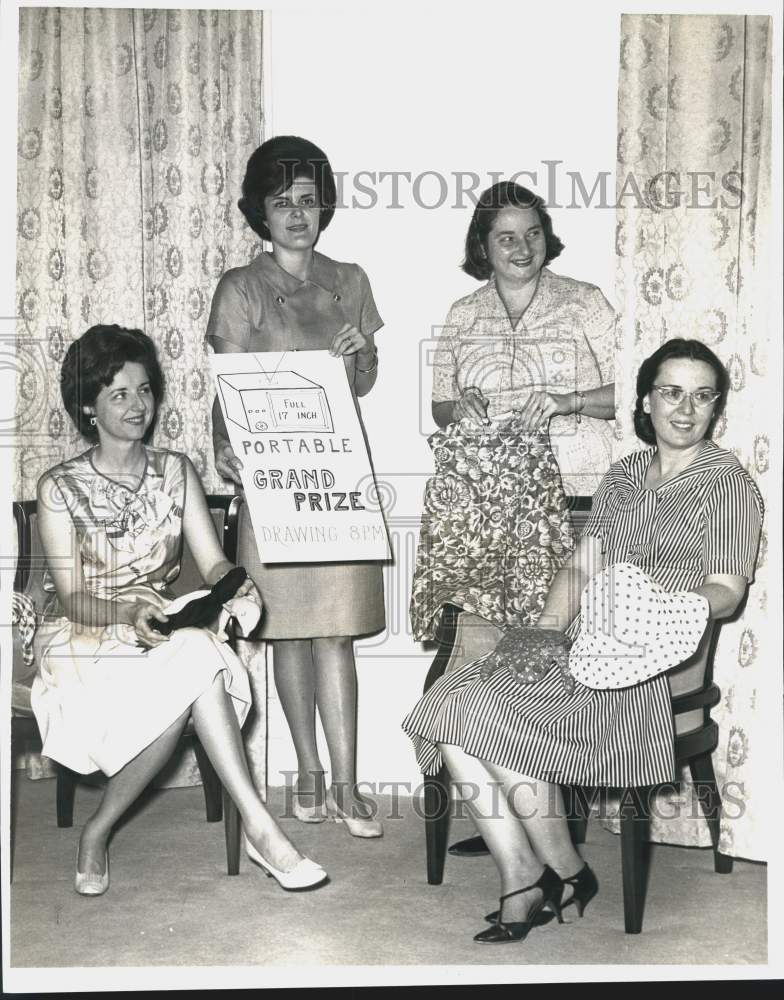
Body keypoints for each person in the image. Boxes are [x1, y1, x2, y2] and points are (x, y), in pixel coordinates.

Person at [402, 339, 763, 943]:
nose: (685, 408)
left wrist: (662, 612)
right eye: (671, 392)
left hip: (653, 662)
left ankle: (546, 877)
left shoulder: (728, 484)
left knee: (497, 722)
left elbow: (726, 589)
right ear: (646, 401)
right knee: (453, 705)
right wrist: (543, 633)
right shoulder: (623, 474)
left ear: (715, 407)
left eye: (701, 396)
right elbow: (579, 566)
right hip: (581, 642)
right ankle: (538, 870)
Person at [32, 325, 328, 896]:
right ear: (87, 406)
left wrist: (240, 587)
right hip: (89, 632)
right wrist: (125, 616)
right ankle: (103, 832)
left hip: (161, 627)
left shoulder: (176, 471)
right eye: (118, 394)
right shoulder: (58, 487)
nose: (137, 405)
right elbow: (71, 598)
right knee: (195, 672)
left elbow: (213, 565)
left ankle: (256, 829)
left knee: (195, 652)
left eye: (144, 390)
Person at [206, 136, 384, 836]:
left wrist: (358, 353)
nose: (297, 215)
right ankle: (307, 774)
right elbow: (226, 385)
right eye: (283, 203)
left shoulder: (351, 280)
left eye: (308, 201)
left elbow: (363, 383)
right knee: (286, 634)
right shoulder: (240, 287)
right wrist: (228, 451)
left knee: (336, 632)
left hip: (337, 475)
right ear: (260, 212)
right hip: (273, 476)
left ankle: (346, 783)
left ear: (324, 208)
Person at [431, 180, 616, 497]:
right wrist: (460, 408)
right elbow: (439, 408)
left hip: (583, 492)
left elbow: (636, 393)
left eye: (533, 233)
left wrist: (570, 401)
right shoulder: (462, 315)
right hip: (488, 498)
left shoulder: (585, 301)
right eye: (507, 239)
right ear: (482, 247)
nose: (525, 249)